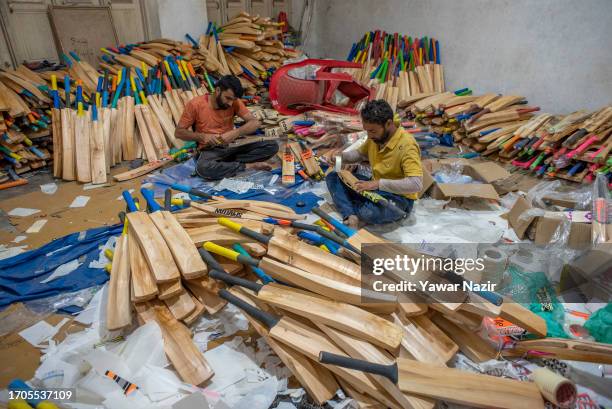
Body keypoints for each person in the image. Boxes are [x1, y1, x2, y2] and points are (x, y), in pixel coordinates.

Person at [325, 99, 423, 229]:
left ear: (388, 123)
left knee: (370, 213)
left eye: (373, 131)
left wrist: (377, 184)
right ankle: (351, 215)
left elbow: (416, 184)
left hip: (399, 197)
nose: (369, 136)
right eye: (367, 131)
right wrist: (342, 157)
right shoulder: (375, 138)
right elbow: (360, 154)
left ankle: (350, 207)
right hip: (374, 188)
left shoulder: (407, 145)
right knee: (333, 177)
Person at [175, 75, 278, 180]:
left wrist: (235, 133)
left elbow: (255, 122)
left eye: (233, 100)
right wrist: (203, 137)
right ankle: (248, 166)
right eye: (228, 98)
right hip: (211, 150)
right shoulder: (195, 104)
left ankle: (227, 166)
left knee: (272, 146)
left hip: (232, 146)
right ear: (218, 90)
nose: (230, 103)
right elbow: (179, 133)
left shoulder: (234, 102)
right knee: (203, 168)